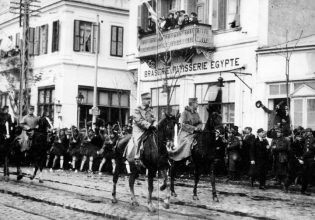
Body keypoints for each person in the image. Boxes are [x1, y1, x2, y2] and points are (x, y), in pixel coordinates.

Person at [125, 92, 156, 168]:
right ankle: (137, 158)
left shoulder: (150, 109)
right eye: (147, 99)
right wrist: (148, 125)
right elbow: (138, 120)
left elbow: (154, 118)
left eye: (150, 99)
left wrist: (155, 125)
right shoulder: (137, 109)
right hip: (139, 130)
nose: (149, 100)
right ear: (143, 100)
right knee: (138, 140)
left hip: (149, 129)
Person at [169, 98, 202, 164]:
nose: (197, 105)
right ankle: (187, 158)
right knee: (188, 141)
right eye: (196, 103)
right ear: (192, 104)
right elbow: (182, 125)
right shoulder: (184, 113)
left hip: (195, 133)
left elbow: (200, 123)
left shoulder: (197, 114)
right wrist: (194, 128)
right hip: (185, 133)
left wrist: (198, 127)